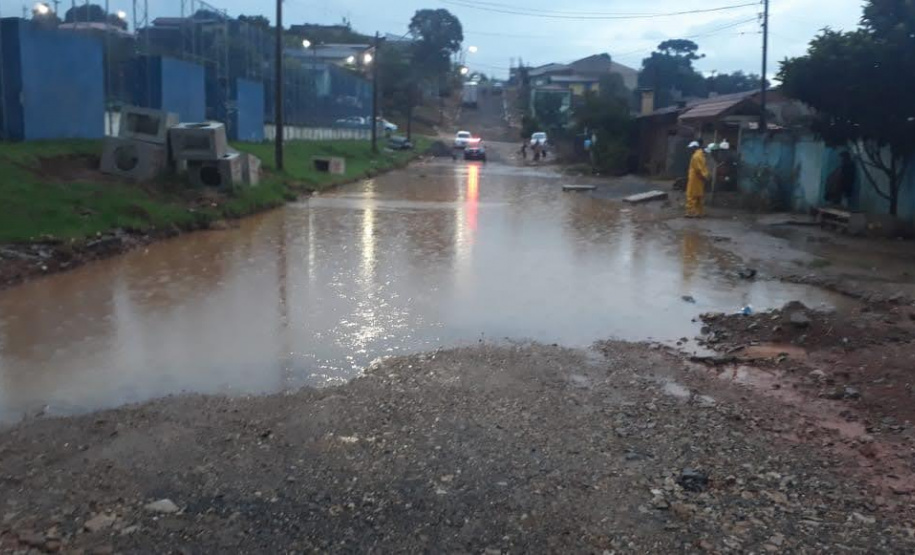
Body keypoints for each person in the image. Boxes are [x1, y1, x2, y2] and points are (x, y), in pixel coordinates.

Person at [686, 140, 709, 218]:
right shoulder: (701, 155)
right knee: (699, 196)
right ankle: (699, 212)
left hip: (695, 178)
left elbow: (698, 169)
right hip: (700, 179)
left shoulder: (696, 156)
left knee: (691, 195)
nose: (690, 149)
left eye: (691, 148)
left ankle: (690, 212)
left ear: (695, 147)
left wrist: (702, 176)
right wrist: (704, 177)